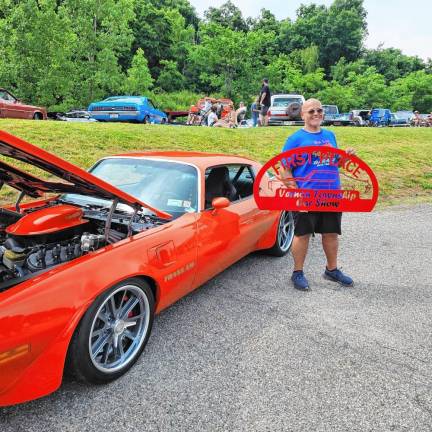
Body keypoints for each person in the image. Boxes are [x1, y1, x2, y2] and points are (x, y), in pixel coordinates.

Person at [280, 98, 355, 291]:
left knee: (331, 233)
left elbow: (334, 163)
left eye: (319, 110)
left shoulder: (330, 135)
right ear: (303, 114)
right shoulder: (295, 139)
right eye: (311, 111)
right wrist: (297, 195)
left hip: (330, 196)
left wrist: (345, 156)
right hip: (306, 196)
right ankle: (297, 273)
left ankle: (332, 270)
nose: (316, 114)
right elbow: (284, 170)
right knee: (302, 234)